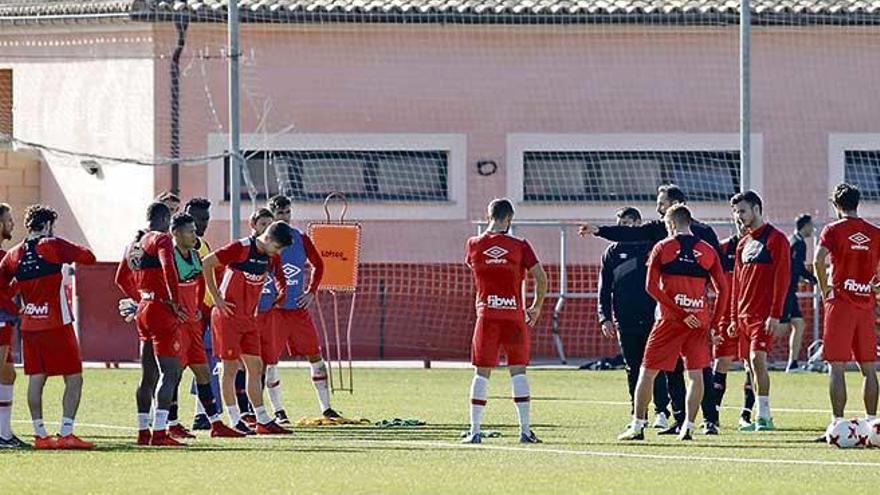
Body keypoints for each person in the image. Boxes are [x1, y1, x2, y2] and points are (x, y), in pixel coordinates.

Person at [580, 184, 719, 435]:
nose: (658, 209)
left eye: (661, 204)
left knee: (651, 369)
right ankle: (684, 422)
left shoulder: (669, 241)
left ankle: (648, 423)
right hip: (697, 315)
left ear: (674, 206)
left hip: (671, 318)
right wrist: (709, 317)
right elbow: (723, 283)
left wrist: (682, 309)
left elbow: (651, 286)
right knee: (687, 371)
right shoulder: (688, 238)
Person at [618, 204, 727, 441]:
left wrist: (677, 311)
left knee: (647, 372)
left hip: (669, 320)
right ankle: (688, 426)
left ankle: (637, 426)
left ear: (670, 224)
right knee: (696, 374)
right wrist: (713, 324)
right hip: (698, 320)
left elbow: (650, 287)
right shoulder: (707, 250)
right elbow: (723, 290)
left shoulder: (663, 247)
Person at [0, 204, 97, 449]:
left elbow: (3, 284)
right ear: (47, 225)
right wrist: (66, 249)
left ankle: (40, 435)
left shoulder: (13, 254)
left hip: (30, 324)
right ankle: (66, 433)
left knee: (36, 378)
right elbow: (89, 256)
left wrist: (16, 306)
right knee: (73, 377)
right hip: (57, 322)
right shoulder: (53, 245)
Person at [461, 198, 548, 444]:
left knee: (481, 373)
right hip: (514, 316)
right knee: (518, 371)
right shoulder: (520, 245)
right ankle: (524, 431)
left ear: (488, 215)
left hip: (486, 316)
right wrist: (537, 306)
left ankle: (475, 431)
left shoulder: (473, 244)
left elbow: (474, 267)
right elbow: (541, 278)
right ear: (509, 218)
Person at [202, 219, 293, 435]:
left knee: (256, 366)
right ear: (268, 238)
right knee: (230, 367)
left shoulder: (269, 257)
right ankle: (234, 420)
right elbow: (206, 263)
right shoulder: (240, 248)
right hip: (228, 317)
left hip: (248, 319)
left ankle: (262, 419)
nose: (277, 253)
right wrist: (216, 298)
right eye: (277, 247)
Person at [115, 202, 188, 447]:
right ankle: (159, 433)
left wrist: (139, 299)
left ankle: (142, 431)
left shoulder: (133, 243)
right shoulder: (161, 239)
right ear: (166, 219)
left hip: (144, 310)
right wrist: (175, 302)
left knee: (148, 375)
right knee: (171, 372)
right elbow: (169, 269)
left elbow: (119, 279)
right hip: (160, 310)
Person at [260, 195, 335, 424]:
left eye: (287, 213)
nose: (284, 217)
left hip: (298, 311)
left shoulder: (300, 238)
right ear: (272, 215)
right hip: (275, 312)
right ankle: (279, 411)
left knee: (316, 357)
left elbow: (319, 264)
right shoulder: (263, 243)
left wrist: (311, 291)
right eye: (280, 213)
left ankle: (327, 408)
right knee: (271, 362)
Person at [168, 212, 242, 438]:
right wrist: (172, 307)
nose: (194, 234)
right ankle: (169, 422)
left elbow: (201, 281)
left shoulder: (194, 253)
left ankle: (215, 423)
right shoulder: (168, 255)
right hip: (176, 325)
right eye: (189, 231)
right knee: (174, 374)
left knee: (203, 371)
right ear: (176, 233)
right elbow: (163, 285)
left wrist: (198, 307)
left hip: (193, 322)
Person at [813, 184, 880, 434]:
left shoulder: (832, 230)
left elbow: (819, 259)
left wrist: (824, 289)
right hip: (866, 304)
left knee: (837, 365)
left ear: (836, 205)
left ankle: (838, 424)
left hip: (840, 302)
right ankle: (873, 423)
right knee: (869, 367)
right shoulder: (874, 232)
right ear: (857, 203)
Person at [597, 206, 672, 428]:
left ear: (639, 224)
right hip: (625, 318)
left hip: (653, 317)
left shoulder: (652, 247)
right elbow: (604, 288)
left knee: (655, 365)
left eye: (629, 224)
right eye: (620, 225)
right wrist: (605, 317)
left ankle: (662, 411)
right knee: (633, 366)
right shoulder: (611, 253)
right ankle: (638, 413)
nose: (624, 229)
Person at [729, 190, 791, 432]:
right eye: (735, 212)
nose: (738, 216)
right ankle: (756, 415)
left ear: (756, 209)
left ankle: (765, 415)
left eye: (742, 211)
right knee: (748, 366)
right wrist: (734, 317)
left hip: (763, 316)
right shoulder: (743, 243)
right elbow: (737, 282)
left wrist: (776, 314)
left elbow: (783, 279)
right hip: (743, 316)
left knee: (757, 359)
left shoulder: (776, 239)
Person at [184, 198, 222, 431]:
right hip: (188, 313)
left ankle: (201, 413)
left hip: (206, 313)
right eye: (198, 218)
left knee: (206, 363)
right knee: (174, 366)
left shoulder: (204, 245)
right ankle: (163, 419)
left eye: (205, 219)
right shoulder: (175, 248)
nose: (202, 223)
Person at [0, 203, 24, 449]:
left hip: (6, 319)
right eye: (8, 220)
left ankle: (5, 434)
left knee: (8, 374)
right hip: (2, 318)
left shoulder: (5, 256)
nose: (12, 224)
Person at [781, 214, 818, 373]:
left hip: (789, 290)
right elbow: (797, 267)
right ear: (805, 226)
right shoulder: (799, 243)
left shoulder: (793, 240)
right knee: (779, 328)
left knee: (799, 325)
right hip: (786, 291)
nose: (813, 229)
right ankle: (756, 352)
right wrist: (813, 278)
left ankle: (793, 364)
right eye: (811, 225)